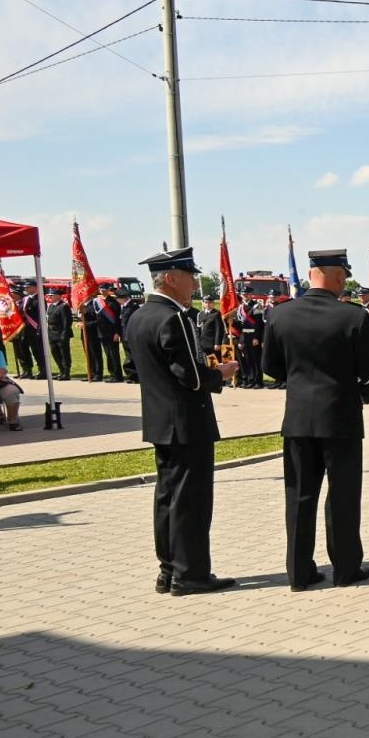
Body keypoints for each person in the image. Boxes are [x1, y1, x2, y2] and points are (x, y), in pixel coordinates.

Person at [261, 249, 369, 590]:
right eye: (343, 274)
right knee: (342, 495)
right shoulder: (354, 316)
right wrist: (360, 395)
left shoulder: (281, 315)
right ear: (335, 274)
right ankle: (345, 569)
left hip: (298, 418)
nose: (345, 280)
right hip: (340, 416)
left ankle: (298, 573)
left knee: (299, 496)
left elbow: (270, 367)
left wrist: (299, 383)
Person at [126, 247, 239, 595]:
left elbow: (133, 369)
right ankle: (190, 574)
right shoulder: (173, 318)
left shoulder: (138, 316)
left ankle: (168, 569)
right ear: (171, 279)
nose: (195, 283)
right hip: (187, 422)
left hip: (161, 421)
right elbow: (190, 377)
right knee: (191, 501)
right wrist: (219, 373)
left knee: (168, 498)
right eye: (190, 276)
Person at [86, 283, 124, 382]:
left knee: (113, 354)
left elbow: (117, 319)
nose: (103, 291)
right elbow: (92, 314)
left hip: (111, 332)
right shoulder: (96, 302)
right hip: (101, 332)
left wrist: (117, 332)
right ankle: (112, 374)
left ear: (108, 290)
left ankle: (117, 375)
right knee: (108, 354)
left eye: (105, 289)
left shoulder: (113, 302)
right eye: (101, 289)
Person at [11, 279, 42, 379]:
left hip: (34, 328)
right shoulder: (25, 300)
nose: (26, 289)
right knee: (23, 351)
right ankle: (27, 370)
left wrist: (38, 328)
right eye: (25, 288)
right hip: (25, 330)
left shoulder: (39, 299)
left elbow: (39, 315)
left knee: (37, 351)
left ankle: (43, 370)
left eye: (28, 287)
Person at [233, 297, 265, 388]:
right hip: (244, 336)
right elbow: (239, 324)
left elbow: (259, 323)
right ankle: (251, 380)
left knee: (256, 360)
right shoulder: (240, 307)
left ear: (250, 295)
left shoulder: (257, 305)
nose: (245, 295)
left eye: (247, 294)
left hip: (254, 335)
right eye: (243, 294)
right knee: (248, 359)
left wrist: (257, 337)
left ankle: (258, 381)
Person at [46, 290, 73, 380]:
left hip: (61, 333)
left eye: (52, 295)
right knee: (55, 353)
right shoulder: (51, 306)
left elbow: (67, 322)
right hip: (52, 333)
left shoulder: (63, 306)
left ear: (58, 296)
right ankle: (61, 370)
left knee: (64, 354)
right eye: (49, 295)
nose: (50, 297)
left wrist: (64, 335)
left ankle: (66, 372)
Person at [118, 292, 142, 383]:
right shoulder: (124, 307)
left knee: (134, 356)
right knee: (129, 356)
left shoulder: (133, 307)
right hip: (125, 336)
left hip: (131, 335)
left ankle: (137, 376)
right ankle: (132, 376)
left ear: (123, 298)